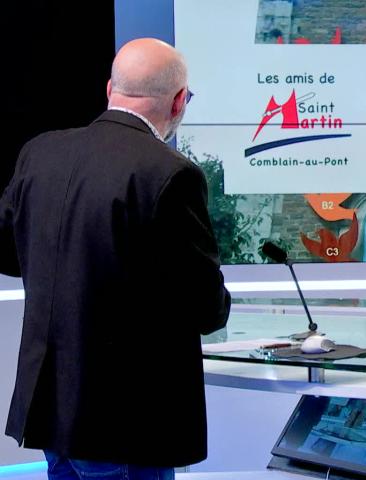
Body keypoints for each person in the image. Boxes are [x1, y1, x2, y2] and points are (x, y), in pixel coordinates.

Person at [0, 38, 230, 479]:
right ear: (179, 100)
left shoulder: (40, 151)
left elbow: (9, 255)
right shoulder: (170, 173)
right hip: (124, 422)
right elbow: (205, 307)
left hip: (50, 411)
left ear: (110, 89)